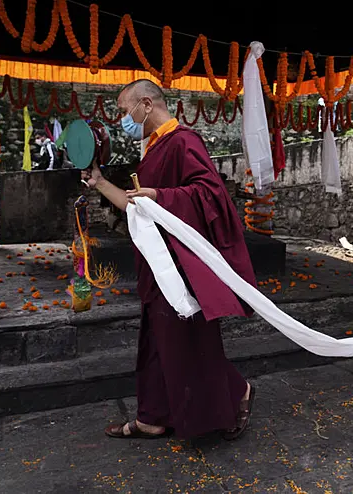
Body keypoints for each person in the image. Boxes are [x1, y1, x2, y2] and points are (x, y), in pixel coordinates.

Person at [82, 79, 256, 441]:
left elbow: (211, 195)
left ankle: (237, 391)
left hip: (182, 267)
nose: (122, 118)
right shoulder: (154, 149)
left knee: (187, 342)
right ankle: (153, 417)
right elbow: (137, 206)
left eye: (123, 109)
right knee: (158, 341)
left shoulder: (183, 142)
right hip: (156, 263)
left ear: (146, 104)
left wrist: (162, 195)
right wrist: (99, 182)